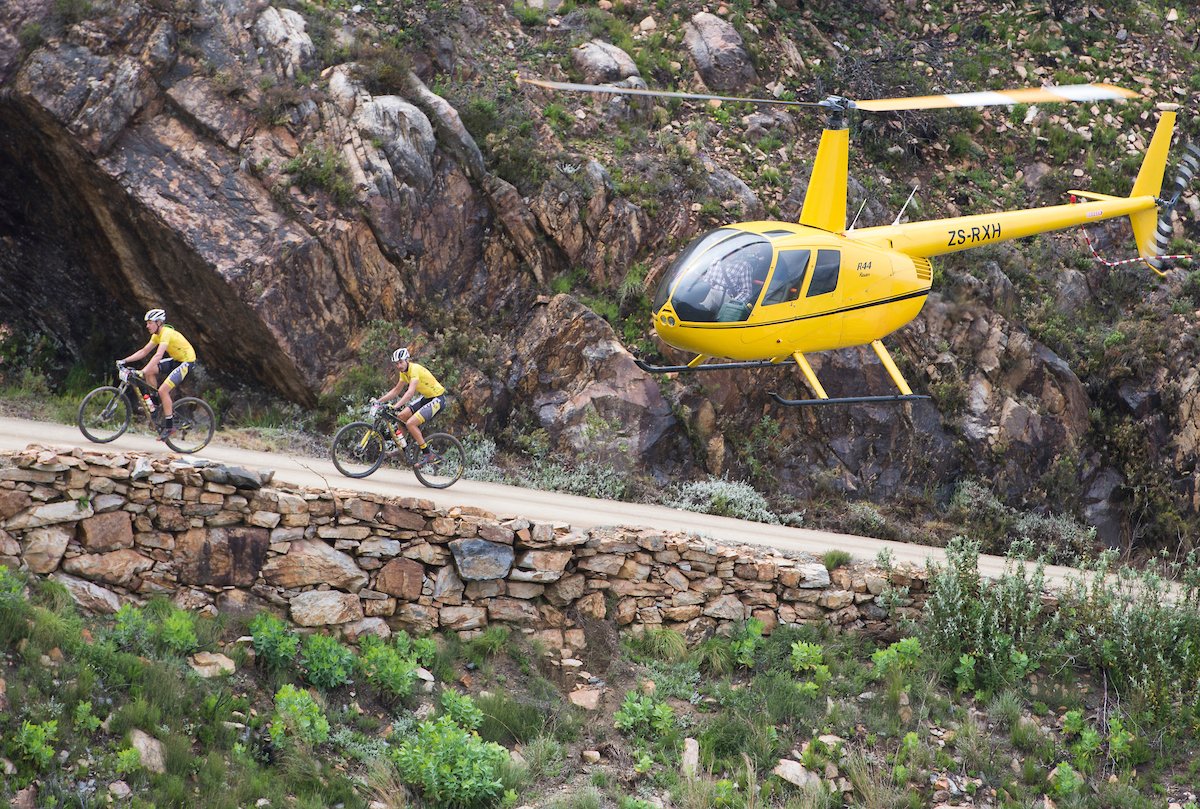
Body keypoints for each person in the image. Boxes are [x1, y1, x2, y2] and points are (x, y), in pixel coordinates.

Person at [119, 308, 196, 440]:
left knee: (163, 390)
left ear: (159, 323)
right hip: (176, 359)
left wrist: (142, 371)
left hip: (187, 362)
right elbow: (144, 351)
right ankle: (154, 405)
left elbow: (158, 355)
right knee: (150, 372)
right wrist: (124, 360)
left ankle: (170, 426)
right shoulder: (156, 335)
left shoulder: (166, 333)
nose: (147, 325)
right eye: (147, 323)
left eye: (150, 322)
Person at [374, 347, 447, 465]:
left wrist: (395, 406)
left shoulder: (414, 369)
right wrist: (378, 401)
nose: (399, 366)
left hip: (438, 399)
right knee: (401, 416)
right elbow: (396, 391)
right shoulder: (403, 373)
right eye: (396, 364)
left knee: (411, 423)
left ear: (407, 360)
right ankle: (402, 448)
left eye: (401, 362)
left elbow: (410, 393)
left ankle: (428, 453)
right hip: (427, 398)